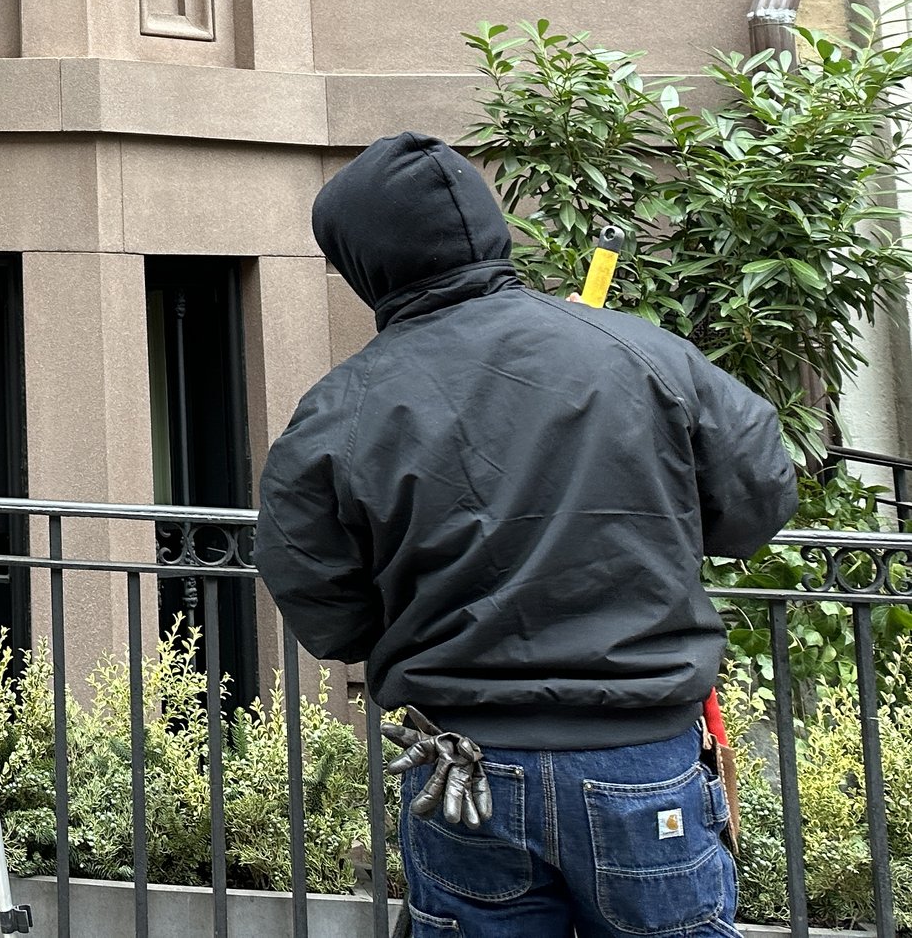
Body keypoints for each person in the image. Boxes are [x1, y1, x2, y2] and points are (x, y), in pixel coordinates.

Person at [254, 132, 798, 938]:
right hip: (640, 762)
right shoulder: (639, 352)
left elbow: (317, 594)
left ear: (365, 262)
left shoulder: (344, 405)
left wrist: (418, 628)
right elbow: (759, 494)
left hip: (466, 767)